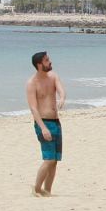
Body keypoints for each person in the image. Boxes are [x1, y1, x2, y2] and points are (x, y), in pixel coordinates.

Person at [26, 51, 66, 197]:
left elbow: (61, 90)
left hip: (56, 122)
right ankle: (36, 189)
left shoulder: (53, 76)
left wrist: (62, 98)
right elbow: (33, 108)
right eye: (47, 60)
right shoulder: (32, 83)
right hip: (43, 124)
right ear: (39, 64)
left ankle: (47, 190)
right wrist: (43, 128)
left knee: (55, 160)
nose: (50, 62)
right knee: (49, 159)